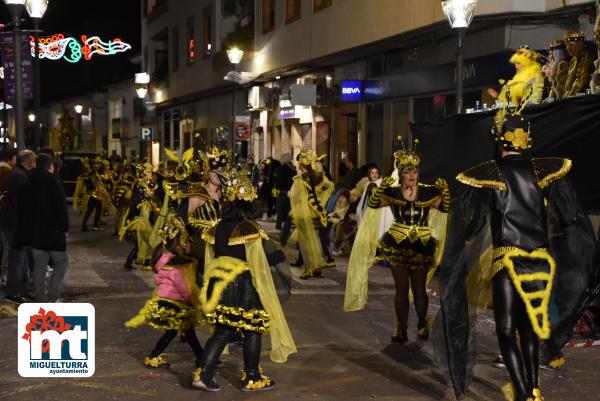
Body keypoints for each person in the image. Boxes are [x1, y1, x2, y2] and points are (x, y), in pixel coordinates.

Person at [436, 101, 596, 401]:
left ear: (499, 140)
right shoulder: (542, 172)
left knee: (507, 331)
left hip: (507, 262)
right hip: (539, 262)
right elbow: (569, 217)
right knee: (530, 328)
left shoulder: (491, 174)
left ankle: (522, 392)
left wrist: (456, 255)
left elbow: (470, 226)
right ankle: (535, 389)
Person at [193, 169, 296, 392]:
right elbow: (257, 259)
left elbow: (211, 258)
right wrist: (278, 256)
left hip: (220, 283)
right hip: (243, 286)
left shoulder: (217, 227)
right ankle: (252, 376)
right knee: (253, 330)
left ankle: (204, 373)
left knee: (222, 331)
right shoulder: (247, 228)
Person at [344, 139, 449, 343]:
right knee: (401, 288)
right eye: (408, 172)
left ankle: (421, 321)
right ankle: (401, 327)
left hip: (421, 245)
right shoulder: (392, 192)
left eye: (415, 172)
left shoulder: (427, 192)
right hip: (397, 245)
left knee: (418, 289)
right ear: (400, 174)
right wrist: (380, 189)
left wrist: (445, 194)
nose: (411, 176)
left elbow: (444, 209)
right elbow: (374, 205)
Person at [125, 211, 203, 369]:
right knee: (182, 332)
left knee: (179, 333)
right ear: (178, 244)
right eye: (185, 243)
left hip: (166, 301)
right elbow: (182, 285)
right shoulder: (175, 264)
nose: (187, 246)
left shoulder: (163, 257)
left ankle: (156, 356)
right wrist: (192, 299)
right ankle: (201, 359)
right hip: (175, 303)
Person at [17, 153, 69, 303]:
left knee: (39, 265)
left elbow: (22, 210)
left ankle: (40, 298)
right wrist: (64, 228)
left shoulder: (27, 183)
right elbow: (61, 208)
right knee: (61, 262)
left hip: (35, 233)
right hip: (53, 232)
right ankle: (53, 295)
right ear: (50, 166)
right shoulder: (54, 183)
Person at [289, 149, 334, 279]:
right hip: (316, 212)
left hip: (303, 214)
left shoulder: (300, 179)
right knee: (316, 240)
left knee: (305, 242)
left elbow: (293, 195)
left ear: (302, 165)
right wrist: (321, 199)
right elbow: (330, 186)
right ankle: (317, 268)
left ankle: (309, 268)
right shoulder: (320, 178)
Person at [0, 150, 36, 303]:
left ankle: (22, 290)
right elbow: (21, 204)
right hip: (15, 223)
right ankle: (13, 292)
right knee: (17, 259)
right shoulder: (21, 177)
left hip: (13, 222)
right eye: (34, 161)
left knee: (22, 259)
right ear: (29, 162)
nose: (35, 164)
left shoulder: (17, 173)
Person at [563, 31, 595, 97]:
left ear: (580, 44)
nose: (568, 48)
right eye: (566, 45)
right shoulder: (574, 59)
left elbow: (580, 82)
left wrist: (568, 97)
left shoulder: (587, 56)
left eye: (571, 44)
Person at [272, 153, 295, 230]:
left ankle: (278, 228)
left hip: (282, 192)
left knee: (280, 211)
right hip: (290, 192)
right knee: (288, 211)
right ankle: (287, 227)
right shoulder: (293, 168)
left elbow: (277, 180)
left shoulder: (282, 168)